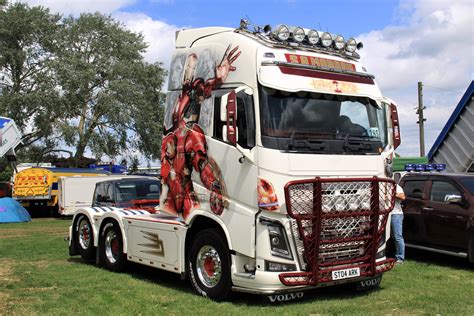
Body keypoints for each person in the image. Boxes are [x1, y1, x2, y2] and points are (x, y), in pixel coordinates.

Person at [160, 45, 240, 219]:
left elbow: (207, 89)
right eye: (187, 67)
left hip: (187, 134)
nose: (188, 71)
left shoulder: (195, 90)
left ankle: (213, 187)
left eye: (192, 67)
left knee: (198, 157)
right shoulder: (179, 97)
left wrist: (219, 79)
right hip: (176, 140)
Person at [391, 183, 406, 264]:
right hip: (386, 214)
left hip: (396, 213)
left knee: (397, 236)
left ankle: (400, 258)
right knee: (392, 236)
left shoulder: (396, 186)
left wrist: (392, 193)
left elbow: (403, 197)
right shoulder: (382, 185)